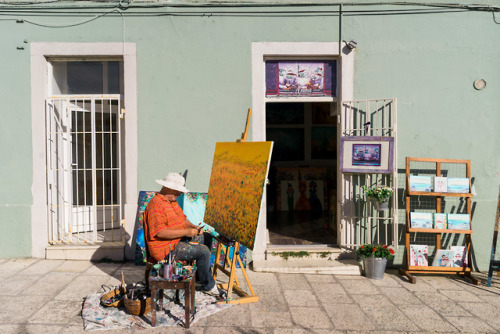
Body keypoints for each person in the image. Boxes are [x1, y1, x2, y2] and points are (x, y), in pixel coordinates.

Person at [143, 172, 222, 297]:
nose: (179, 194)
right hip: (165, 249)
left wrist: (193, 227)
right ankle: (208, 286)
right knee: (204, 251)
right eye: (178, 191)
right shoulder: (156, 205)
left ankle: (201, 277)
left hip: (175, 240)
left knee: (206, 237)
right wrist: (187, 232)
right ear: (169, 188)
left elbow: (182, 219)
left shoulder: (171, 201)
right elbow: (160, 233)